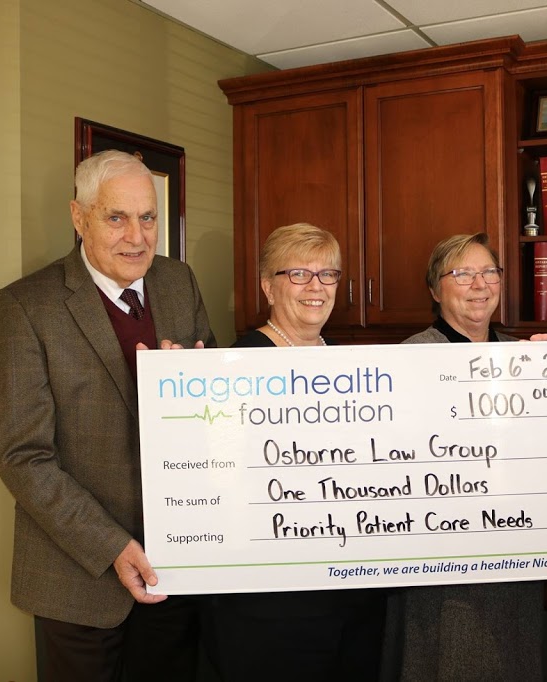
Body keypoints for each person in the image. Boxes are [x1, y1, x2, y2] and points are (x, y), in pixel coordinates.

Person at [0, 149, 216, 681]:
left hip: (175, 567)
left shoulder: (179, 282)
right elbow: (23, 457)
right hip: (77, 579)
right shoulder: (26, 306)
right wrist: (113, 546)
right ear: (79, 217)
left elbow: (216, 421)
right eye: (116, 218)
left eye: (148, 217)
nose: (137, 237)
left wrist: (199, 394)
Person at [202, 222, 388, 681]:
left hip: (351, 595)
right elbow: (218, 478)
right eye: (299, 274)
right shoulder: (235, 366)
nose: (316, 287)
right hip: (270, 603)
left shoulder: (351, 364)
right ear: (268, 286)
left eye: (328, 274)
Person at [392, 233, 542, 681]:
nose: (479, 284)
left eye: (489, 272)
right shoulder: (410, 358)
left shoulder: (526, 358)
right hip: (446, 562)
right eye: (462, 274)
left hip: (517, 553)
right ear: (435, 290)